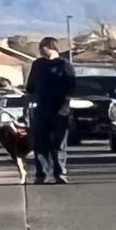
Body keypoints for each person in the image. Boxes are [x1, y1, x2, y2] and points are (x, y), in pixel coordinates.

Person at [23, 36, 75, 184]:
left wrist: (61, 98)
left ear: (51, 47)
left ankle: (60, 173)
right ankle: (42, 174)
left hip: (60, 111)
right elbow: (30, 87)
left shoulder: (65, 65)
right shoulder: (38, 65)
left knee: (59, 144)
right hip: (41, 110)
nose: (41, 51)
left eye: (43, 47)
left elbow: (71, 86)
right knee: (40, 143)